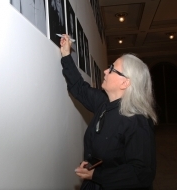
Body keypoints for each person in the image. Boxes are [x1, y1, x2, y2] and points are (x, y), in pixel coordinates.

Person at [60, 34, 157, 190]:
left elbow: (142, 173)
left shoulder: (138, 121)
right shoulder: (104, 103)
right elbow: (79, 88)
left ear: (125, 82)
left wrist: (96, 175)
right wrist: (66, 55)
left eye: (112, 69)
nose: (105, 71)